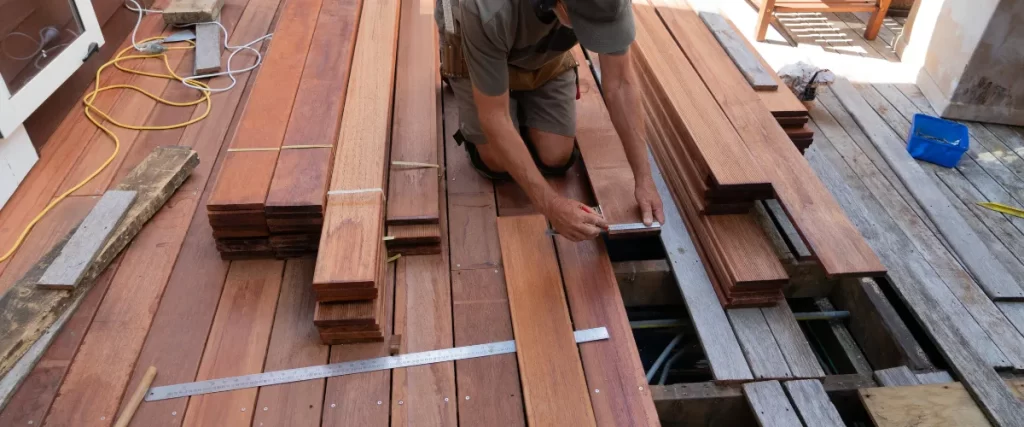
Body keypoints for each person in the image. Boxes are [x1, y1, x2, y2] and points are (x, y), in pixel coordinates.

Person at [437, 0, 664, 241]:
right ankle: (478, 83)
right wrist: (552, 205)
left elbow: (620, 83)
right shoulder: (487, 10)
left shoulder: (609, 4)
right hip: (475, 36)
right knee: (496, 161)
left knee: (556, 156)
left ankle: (518, 83)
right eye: (587, 25)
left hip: (533, 42)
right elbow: (495, 117)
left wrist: (644, 177)